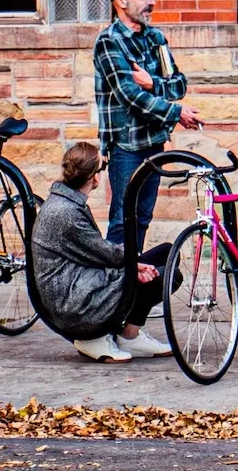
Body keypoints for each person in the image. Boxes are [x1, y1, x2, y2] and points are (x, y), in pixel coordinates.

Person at [31, 141, 176, 363]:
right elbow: (105, 253)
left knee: (166, 253)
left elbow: (99, 252)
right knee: (167, 276)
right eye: (104, 165)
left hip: (82, 283)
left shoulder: (64, 201)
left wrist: (133, 265)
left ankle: (127, 335)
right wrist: (132, 267)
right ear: (95, 177)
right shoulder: (66, 213)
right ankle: (107, 336)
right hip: (76, 304)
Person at [93, 0, 202, 245]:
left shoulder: (156, 38)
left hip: (154, 142)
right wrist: (176, 113)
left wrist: (152, 83)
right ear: (121, 1)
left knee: (142, 217)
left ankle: (133, 278)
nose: (151, 2)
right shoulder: (109, 42)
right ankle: (116, 284)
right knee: (122, 218)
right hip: (125, 147)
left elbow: (178, 84)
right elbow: (129, 96)